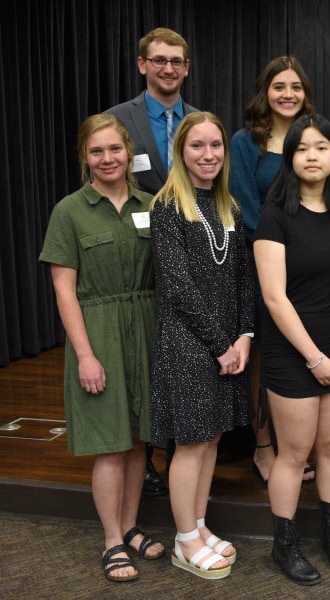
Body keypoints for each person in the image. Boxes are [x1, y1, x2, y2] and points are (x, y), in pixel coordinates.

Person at [39, 114, 166, 582]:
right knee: (110, 446)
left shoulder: (153, 204)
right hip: (98, 333)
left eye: (114, 149)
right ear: (84, 157)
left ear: (127, 152)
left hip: (148, 329)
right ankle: (112, 539)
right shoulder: (68, 211)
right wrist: (87, 355)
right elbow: (64, 291)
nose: (107, 159)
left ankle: (131, 526)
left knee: (138, 442)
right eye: (96, 151)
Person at [254, 114, 330, 586]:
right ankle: (285, 545)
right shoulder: (275, 215)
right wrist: (315, 358)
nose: (313, 156)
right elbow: (274, 297)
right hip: (291, 352)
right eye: (303, 149)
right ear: (291, 158)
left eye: (321, 147)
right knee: (294, 452)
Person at [149, 111, 254, 580]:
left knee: (212, 438)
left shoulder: (227, 203)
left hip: (228, 344)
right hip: (188, 342)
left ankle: (200, 523)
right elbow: (177, 287)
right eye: (197, 146)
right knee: (191, 442)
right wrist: (220, 344)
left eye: (215, 146)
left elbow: (244, 281)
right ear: (181, 152)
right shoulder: (168, 206)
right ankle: (184, 537)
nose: (208, 154)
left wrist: (245, 336)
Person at [107, 26, 198, 496]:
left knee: (181, 361)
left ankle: (175, 454)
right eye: (158, 60)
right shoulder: (116, 121)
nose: (168, 68)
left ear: (186, 67)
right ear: (142, 65)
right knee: (143, 362)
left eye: (176, 61)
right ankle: (142, 458)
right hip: (139, 262)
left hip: (194, 260)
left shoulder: (201, 122)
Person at [230, 55, 315, 485]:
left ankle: (296, 447)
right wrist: (284, 248)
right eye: (279, 86)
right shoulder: (245, 142)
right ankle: (263, 447)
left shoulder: (312, 136)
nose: (288, 94)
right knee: (264, 356)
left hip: (311, 267)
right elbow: (245, 207)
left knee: (305, 351)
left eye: (296, 86)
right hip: (261, 264)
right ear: (265, 92)